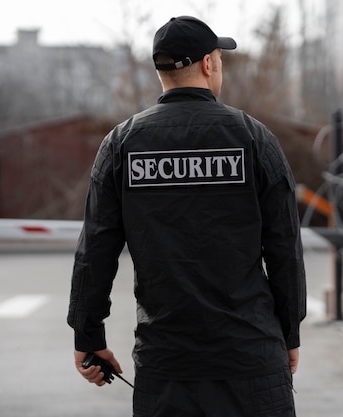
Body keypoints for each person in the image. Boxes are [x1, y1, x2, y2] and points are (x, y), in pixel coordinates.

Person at [68, 15, 307, 417]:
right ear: (209, 64)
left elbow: (96, 250)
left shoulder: (122, 144)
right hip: (250, 359)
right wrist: (289, 333)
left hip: (167, 368)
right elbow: (284, 247)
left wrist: (88, 335)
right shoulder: (253, 137)